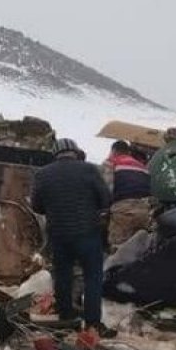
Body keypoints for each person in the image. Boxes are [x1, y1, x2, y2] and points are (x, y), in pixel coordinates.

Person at [31, 138, 116, 337]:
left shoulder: (43, 174)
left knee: (62, 276)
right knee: (93, 277)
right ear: (76, 152)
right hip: (87, 233)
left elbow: (36, 206)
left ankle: (66, 317)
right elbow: (105, 199)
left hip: (59, 235)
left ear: (56, 155)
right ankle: (93, 324)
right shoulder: (89, 170)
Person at [101, 141, 152, 249]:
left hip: (123, 212)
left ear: (113, 151)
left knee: (118, 250)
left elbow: (107, 189)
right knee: (140, 250)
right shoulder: (142, 167)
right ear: (128, 152)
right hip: (144, 212)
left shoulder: (111, 162)